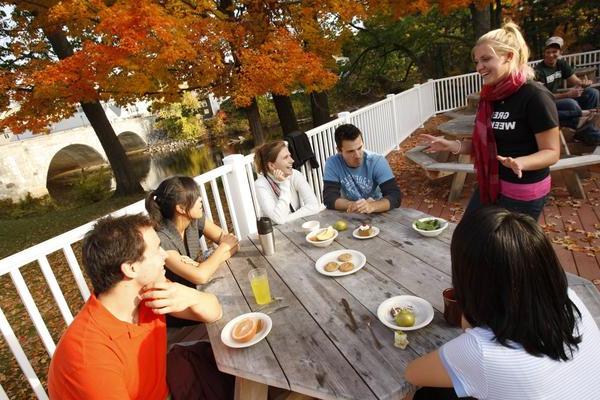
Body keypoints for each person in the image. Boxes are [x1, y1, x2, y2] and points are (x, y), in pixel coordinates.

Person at [405, 207, 600, 400]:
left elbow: (412, 374)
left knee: (427, 395)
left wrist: (468, 313)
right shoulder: (568, 298)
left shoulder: (480, 352)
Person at [47, 214, 225, 399]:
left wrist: (193, 296)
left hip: (168, 383)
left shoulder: (146, 292)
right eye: (157, 249)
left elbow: (214, 312)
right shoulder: (90, 357)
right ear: (131, 268)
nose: (164, 254)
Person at [421, 22, 560, 220]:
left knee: (507, 251)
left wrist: (521, 162)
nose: (479, 67)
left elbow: (552, 153)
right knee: (470, 235)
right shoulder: (489, 97)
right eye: (477, 61)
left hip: (524, 192)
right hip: (490, 185)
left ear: (509, 56)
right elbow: (486, 145)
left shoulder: (535, 96)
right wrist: (452, 145)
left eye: (486, 59)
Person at [145, 176, 239, 330]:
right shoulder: (162, 239)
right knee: (234, 311)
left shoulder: (195, 220)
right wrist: (221, 249)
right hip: (182, 313)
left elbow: (233, 244)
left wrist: (200, 265)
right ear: (181, 208)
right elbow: (201, 276)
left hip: (200, 295)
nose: (201, 199)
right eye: (195, 197)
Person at [322, 123, 402, 213]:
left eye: (359, 148)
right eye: (351, 151)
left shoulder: (377, 161)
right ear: (339, 151)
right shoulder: (333, 163)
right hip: (349, 213)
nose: (357, 155)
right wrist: (352, 205)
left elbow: (395, 196)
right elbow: (329, 198)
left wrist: (372, 206)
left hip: (378, 212)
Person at [534, 36, 599, 135]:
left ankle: (586, 128)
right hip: (547, 103)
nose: (551, 55)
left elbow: (576, 81)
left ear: (560, 52)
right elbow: (544, 98)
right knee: (571, 103)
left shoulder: (561, 64)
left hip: (557, 98)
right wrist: (568, 95)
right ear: (544, 53)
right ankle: (585, 132)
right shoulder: (538, 71)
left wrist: (584, 83)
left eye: (554, 51)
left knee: (593, 93)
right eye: (548, 52)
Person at [253, 140, 324, 224]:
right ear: (272, 165)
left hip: (297, 225)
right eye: (285, 157)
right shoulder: (261, 185)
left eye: (290, 156)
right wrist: (284, 184)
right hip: (276, 233)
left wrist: (285, 219)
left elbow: (313, 205)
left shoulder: (295, 175)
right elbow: (278, 218)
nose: (292, 160)